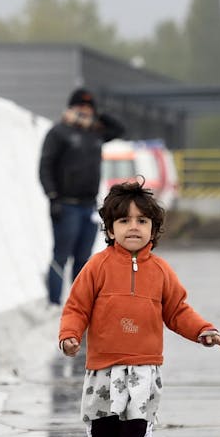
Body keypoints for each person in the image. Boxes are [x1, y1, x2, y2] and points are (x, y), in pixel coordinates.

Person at [57, 180, 220, 437]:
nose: (133, 228)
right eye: (124, 221)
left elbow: (178, 310)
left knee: (135, 429)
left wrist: (203, 331)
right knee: (102, 429)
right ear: (109, 230)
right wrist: (70, 335)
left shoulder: (162, 271)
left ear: (154, 228)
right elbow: (77, 307)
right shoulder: (97, 266)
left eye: (142, 221)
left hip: (143, 366)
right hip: (104, 365)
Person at [39, 87, 125, 305]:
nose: (84, 112)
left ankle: (79, 305)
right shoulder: (59, 132)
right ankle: (54, 302)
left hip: (89, 206)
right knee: (61, 256)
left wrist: (99, 114)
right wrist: (52, 196)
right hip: (66, 205)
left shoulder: (95, 133)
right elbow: (45, 166)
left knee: (83, 259)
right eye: (80, 107)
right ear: (70, 109)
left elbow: (120, 128)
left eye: (88, 108)